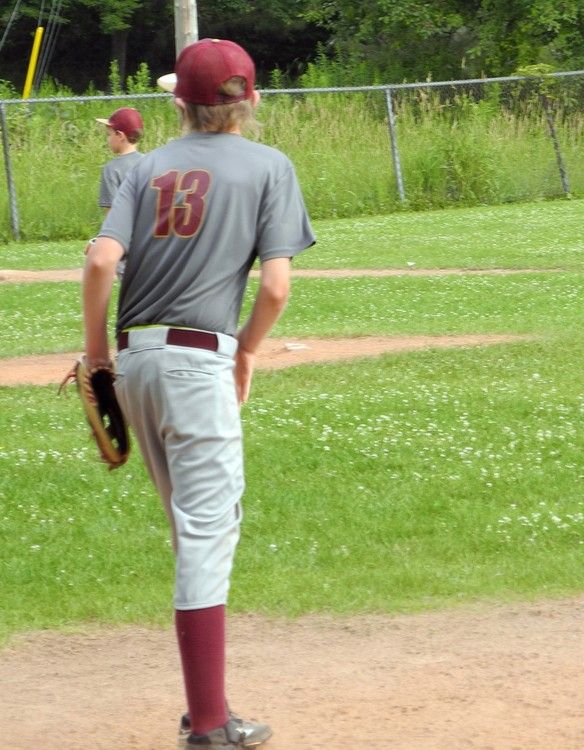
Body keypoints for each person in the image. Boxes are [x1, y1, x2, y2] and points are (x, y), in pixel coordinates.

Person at [82, 38, 315, 749]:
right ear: (251, 101)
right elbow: (275, 285)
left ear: (177, 102)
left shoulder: (142, 167)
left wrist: (98, 359)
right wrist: (246, 351)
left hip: (138, 361)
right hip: (197, 362)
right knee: (208, 534)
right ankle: (211, 725)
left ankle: (203, 706)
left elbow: (99, 260)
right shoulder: (270, 166)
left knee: (191, 531)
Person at [92, 107, 145, 277]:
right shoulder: (150, 162)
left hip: (127, 247)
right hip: (153, 245)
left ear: (120, 136)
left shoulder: (112, 169)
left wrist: (98, 243)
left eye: (109, 134)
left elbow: (112, 216)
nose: (107, 139)